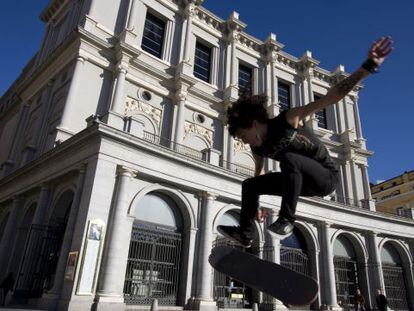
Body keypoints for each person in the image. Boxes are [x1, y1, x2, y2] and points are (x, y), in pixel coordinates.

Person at [217, 37, 393, 248]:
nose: (243, 141)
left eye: (242, 134)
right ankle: (245, 234)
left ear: (253, 123)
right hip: (298, 183)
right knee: (250, 185)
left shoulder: (289, 118)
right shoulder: (257, 147)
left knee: (290, 158)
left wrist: (367, 67)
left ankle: (286, 220)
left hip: (325, 178)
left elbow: (331, 97)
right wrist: (256, 206)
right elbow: (259, 176)